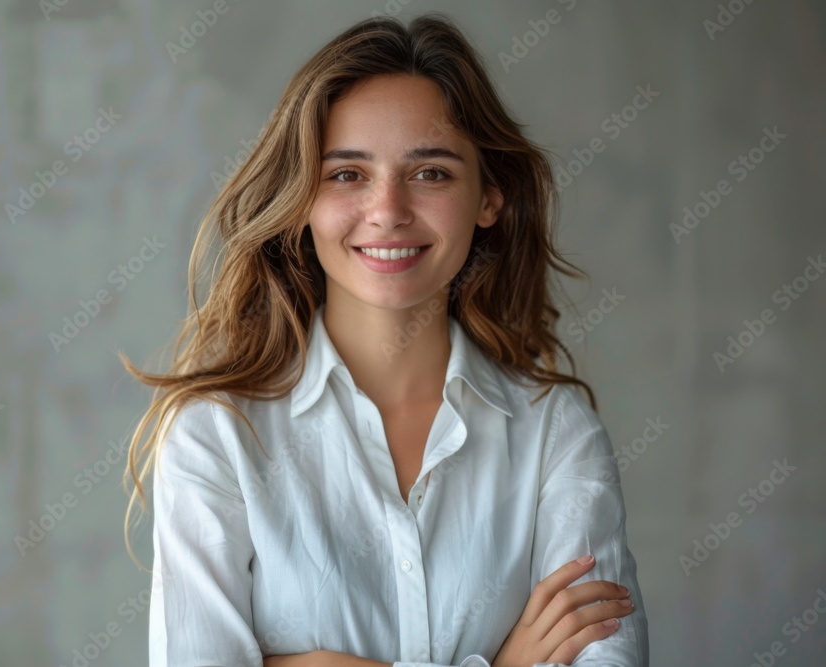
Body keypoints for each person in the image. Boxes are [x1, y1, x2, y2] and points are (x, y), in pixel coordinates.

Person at [121, 12, 648, 667]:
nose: (389, 209)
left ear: (489, 197)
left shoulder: (557, 434)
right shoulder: (217, 435)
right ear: (300, 199)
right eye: (347, 174)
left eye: (431, 173)